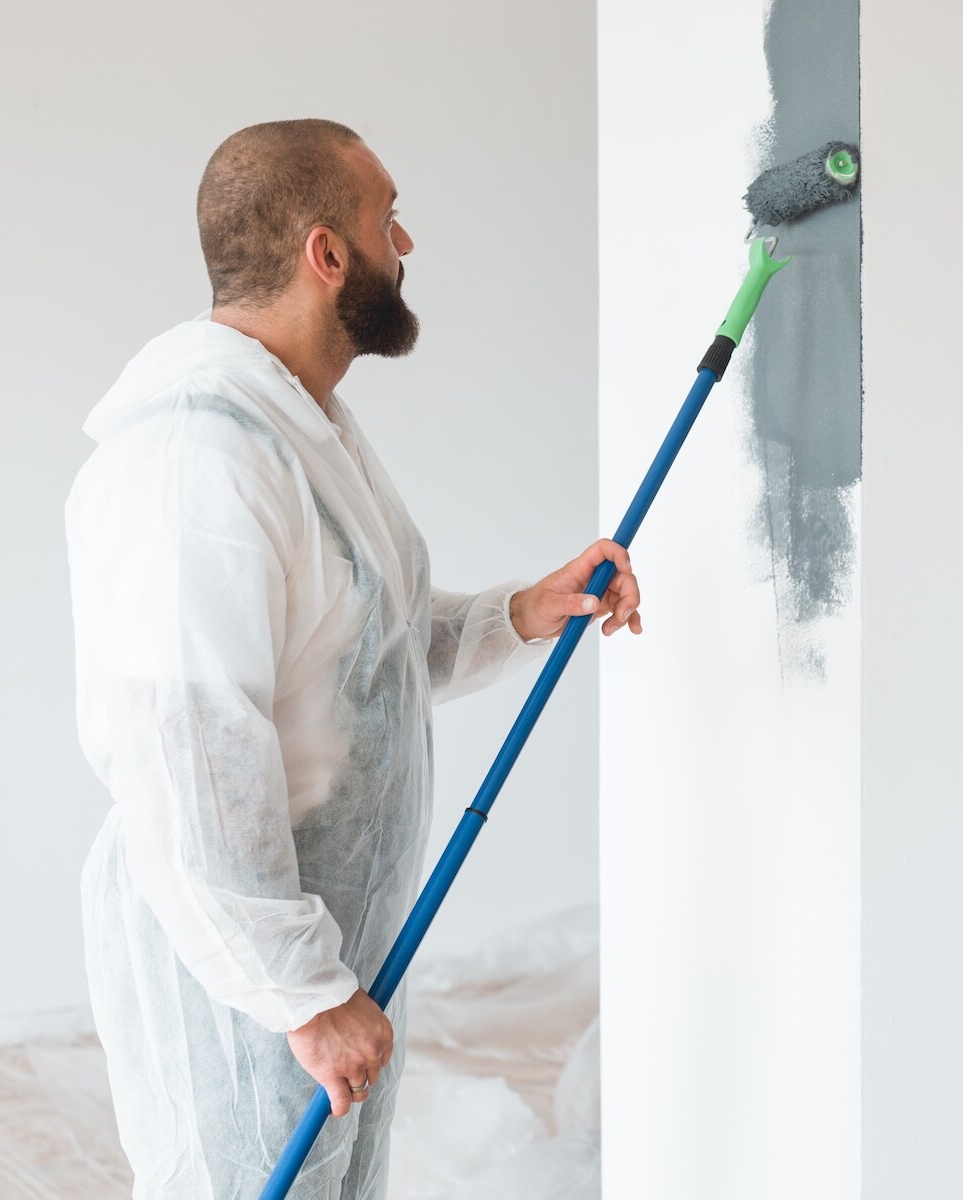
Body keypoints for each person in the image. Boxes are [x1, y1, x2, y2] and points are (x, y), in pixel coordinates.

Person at [66, 118, 639, 1199]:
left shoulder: (302, 427)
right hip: (245, 976)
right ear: (327, 254)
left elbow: (359, 657)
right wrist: (302, 994)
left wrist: (524, 611)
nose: (405, 242)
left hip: (322, 947)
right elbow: (188, 759)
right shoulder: (198, 459)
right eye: (388, 219)